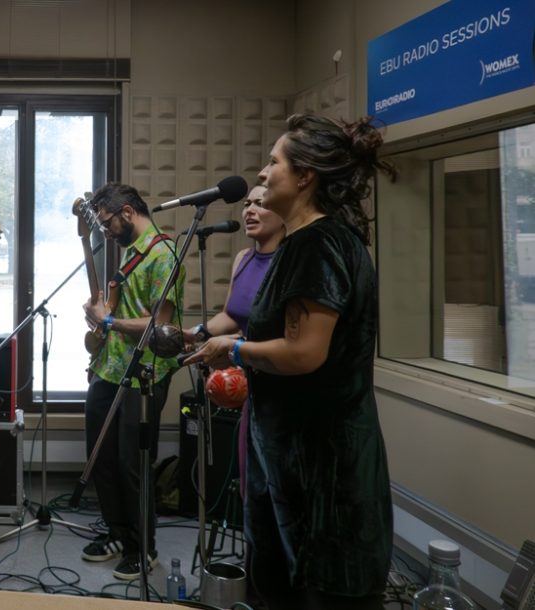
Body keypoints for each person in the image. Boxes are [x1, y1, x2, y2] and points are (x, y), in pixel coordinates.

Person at [186, 114, 395, 610]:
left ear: (305, 177)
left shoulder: (318, 243)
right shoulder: (302, 243)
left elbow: (303, 353)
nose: (261, 173)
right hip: (291, 464)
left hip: (323, 471)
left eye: (274, 162)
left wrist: (232, 349)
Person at [80, 182, 185, 580]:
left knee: (131, 464)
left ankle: (144, 547)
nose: (106, 232)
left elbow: (160, 323)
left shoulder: (164, 255)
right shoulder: (129, 253)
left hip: (144, 374)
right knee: (101, 457)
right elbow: (123, 310)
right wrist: (101, 316)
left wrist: (108, 320)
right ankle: (118, 533)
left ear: (127, 212)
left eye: (107, 223)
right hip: (108, 367)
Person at [182, 183, 284, 494]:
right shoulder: (243, 258)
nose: (250, 210)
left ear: (283, 212)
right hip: (252, 383)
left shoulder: (290, 261)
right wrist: (195, 333)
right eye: (247, 204)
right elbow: (232, 314)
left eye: (260, 204)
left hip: (282, 383)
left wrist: (234, 345)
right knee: (250, 483)